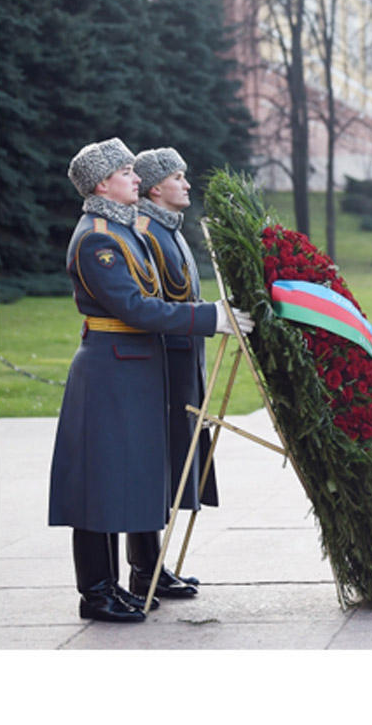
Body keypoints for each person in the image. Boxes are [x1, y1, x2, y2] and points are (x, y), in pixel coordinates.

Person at [48, 138, 253, 623]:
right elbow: (136, 308)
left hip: (133, 370)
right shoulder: (98, 238)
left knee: (128, 478)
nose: (135, 177)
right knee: (99, 485)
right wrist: (209, 319)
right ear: (102, 183)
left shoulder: (122, 230)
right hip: (109, 370)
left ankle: (122, 582)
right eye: (125, 172)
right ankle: (96, 592)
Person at [132, 147, 217, 597]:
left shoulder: (170, 230)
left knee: (169, 465)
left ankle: (153, 564)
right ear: (154, 187)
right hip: (164, 363)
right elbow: (156, 305)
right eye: (177, 177)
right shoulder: (147, 231)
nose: (186, 184)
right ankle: (144, 569)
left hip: (184, 359)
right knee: (156, 465)